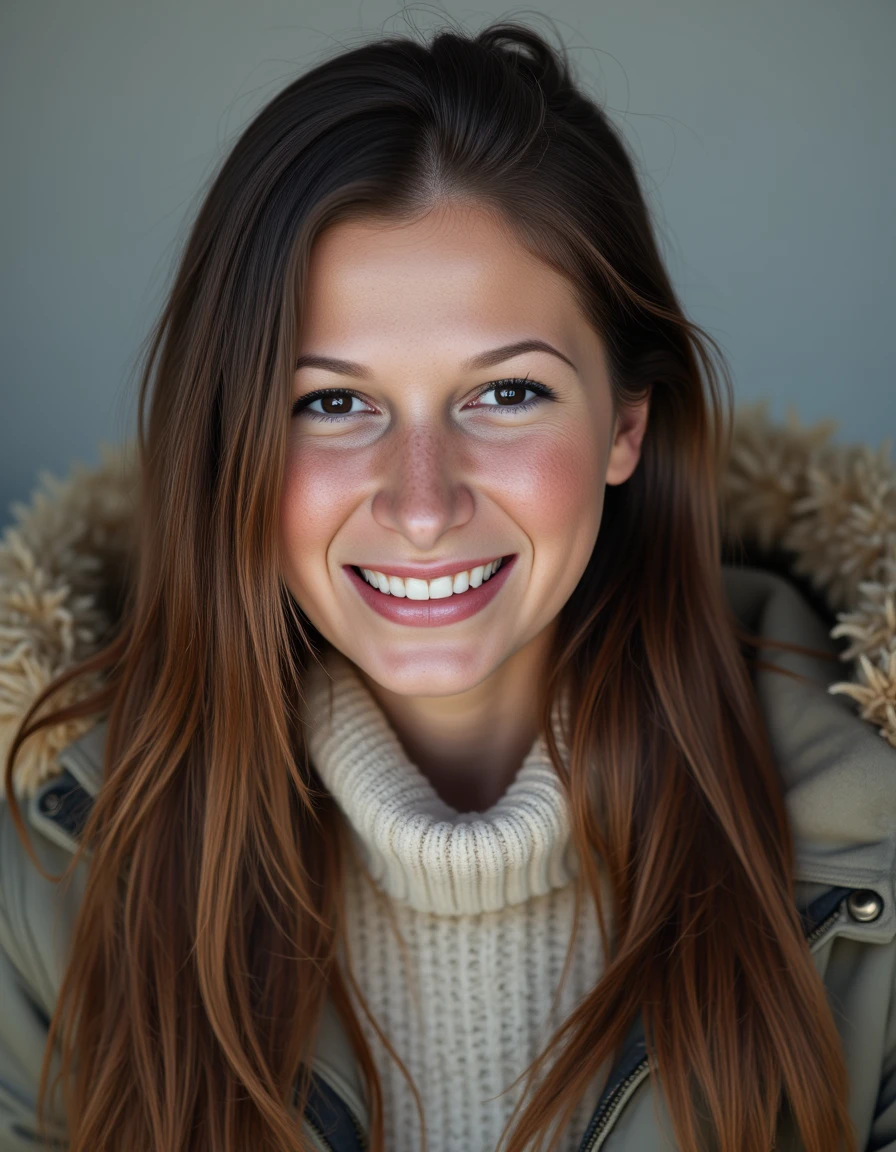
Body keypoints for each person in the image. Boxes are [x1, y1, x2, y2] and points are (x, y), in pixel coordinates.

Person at [1, 17, 895, 1152]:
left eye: (505, 394)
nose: (421, 504)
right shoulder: (51, 887)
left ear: (625, 425)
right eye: (329, 403)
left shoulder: (870, 861)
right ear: (230, 447)